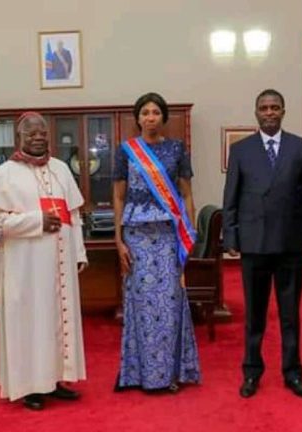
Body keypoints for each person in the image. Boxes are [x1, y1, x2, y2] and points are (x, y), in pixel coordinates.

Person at [0, 111, 88, 411]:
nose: (38, 137)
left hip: (61, 261)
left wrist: (79, 251)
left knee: (56, 318)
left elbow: (74, 214)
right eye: (31, 133)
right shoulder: (2, 174)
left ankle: (54, 381)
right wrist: (36, 221)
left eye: (42, 132)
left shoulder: (62, 169)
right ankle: (28, 386)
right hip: (25, 264)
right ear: (19, 137)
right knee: (29, 321)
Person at [222, 89, 302, 399]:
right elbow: (231, 199)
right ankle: (252, 372)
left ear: (283, 111)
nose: (269, 112)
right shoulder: (241, 151)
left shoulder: (300, 148)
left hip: (290, 245)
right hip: (253, 246)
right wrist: (232, 237)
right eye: (264, 108)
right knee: (255, 315)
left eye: (275, 107)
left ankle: (292, 373)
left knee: (290, 315)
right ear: (256, 113)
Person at [113, 92, 201, 393]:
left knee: (169, 301)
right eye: (145, 112)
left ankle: (170, 373)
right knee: (141, 304)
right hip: (136, 236)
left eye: (155, 112)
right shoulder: (126, 151)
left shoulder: (176, 149)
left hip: (167, 234)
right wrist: (118, 238)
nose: (150, 117)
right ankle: (140, 374)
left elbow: (187, 193)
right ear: (137, 118)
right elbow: (119, 196)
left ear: (163, 117)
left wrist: (188, 232)